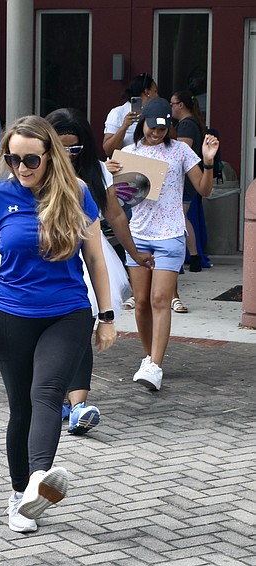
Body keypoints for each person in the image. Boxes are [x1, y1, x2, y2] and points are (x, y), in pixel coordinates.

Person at [0, 115, 116, 533]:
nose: (22, 167)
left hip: (67, 313)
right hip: (11, 315)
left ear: (50, 155)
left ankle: (36, 485)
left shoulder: (79, 193)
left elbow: (96, 260)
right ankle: (18, 497)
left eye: (31, 159)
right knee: (21, 408)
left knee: (47, 391)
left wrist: (106, 317)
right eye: (13, 159)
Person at [45, 108, 151, 435]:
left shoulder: (98, 173)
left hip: (87, 253)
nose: (67, 155)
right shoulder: (31, 169)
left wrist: (134, 254)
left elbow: (116, 216)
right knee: (44, 334)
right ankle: (56, 398)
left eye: (74, 149)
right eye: (59, 148)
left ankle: (78, 406)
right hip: (40, 258)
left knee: (78, 330)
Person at [107, 97, 219, 391]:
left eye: (163, 128)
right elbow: (115, 199)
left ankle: (155, 365)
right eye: (152, 128)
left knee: (159, 299)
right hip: (139, 234)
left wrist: (207, 161)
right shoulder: (129, 153)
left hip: (170, 234)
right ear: (142, 123)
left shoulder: (180, 150)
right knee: (141, 303)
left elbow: (204, 190)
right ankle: (148, 357)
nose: (157, 134)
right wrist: (110, 171)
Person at [170, 90, 208, 314]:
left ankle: (194, 256)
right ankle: (194, 256)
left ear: (181, 105)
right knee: (184, 217)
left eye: (173, 104)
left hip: (185, 181)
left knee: (182, 218)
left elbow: (181, 149)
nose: (171, 108)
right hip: (189, 180)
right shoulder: (193, 122)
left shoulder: (185, 126)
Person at [102, 73, 158, 158]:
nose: (157, 96)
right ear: (147, 92)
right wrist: (124, 127)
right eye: (155, 91)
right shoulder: (118, 113)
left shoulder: (156, 111)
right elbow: (108, 150)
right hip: (126, 163)